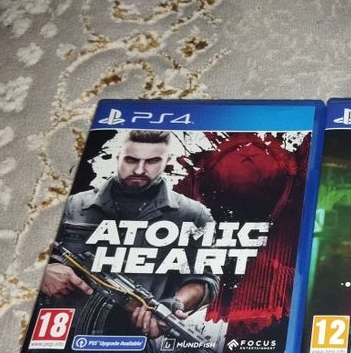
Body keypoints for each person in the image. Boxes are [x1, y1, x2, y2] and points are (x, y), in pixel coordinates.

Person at [41, 129, 219, 339]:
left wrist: (176, 303)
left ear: (167, 161)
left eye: (152, 161)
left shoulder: (193, 214)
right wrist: (44, 271)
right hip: (57, 332)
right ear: (118, 157)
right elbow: (28, 254)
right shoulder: (73, 205)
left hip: (134, 340)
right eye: (131, 160)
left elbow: (206, 280)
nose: (139, 169)